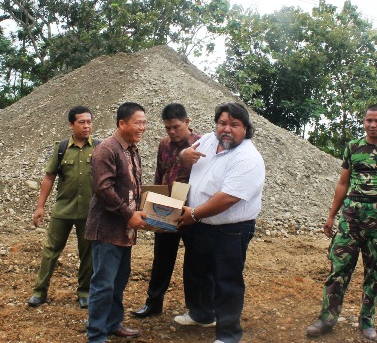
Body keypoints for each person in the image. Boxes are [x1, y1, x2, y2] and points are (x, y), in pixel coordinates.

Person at [305, 104, 377, 341]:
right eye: (369, 121)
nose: (373, 125)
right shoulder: (353, 147)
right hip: (351, 215)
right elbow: (343, 183)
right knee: (338, 268)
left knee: (373, 271)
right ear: (364, 122)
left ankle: (367, 321)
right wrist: (332, 215)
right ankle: (326, 318)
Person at [176, 102, 265, 343]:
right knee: (197, 272)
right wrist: (184, 155)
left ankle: (228, 335)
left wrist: (194, 214)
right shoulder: (206, 140)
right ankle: (202, 314)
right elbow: (184, 155)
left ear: (245, 129)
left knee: (227, 280)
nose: (226, 129)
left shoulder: (248, 158)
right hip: (200, 223)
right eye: (222, 123)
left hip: (231, 229)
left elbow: (227, 198)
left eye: (234, 125)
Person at [85, 102, 147, 343]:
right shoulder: (106, 149)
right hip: (107, 230)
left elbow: (132, 187)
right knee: (103, 284)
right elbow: (103, 189)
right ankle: (96, 334)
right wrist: (128, 214)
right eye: (138, 122)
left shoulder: (131, 150)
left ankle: (112, 323)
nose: (142, 127)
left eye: (144, 122)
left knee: (118, 282)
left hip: (125, 231)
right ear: (122, 123)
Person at [132, 103, 202, 318]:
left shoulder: (201, 145)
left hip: (190, 213)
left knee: (194, 263)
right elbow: (160, 174)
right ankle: (153, 304)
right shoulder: (164, 144)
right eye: (167, 128)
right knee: (161, 258)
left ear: (187, 122)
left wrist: (198, 211)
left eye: (176, 127)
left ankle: (196, 309)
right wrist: (151, 200)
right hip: (166, 209)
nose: (172, 132)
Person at [27, 106, 97, 309]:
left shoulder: (99, 148)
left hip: (88, 212)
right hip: (63, 210)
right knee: (50, 251)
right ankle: (39, 292)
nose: (86, 126)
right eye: (81, 122)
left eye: (89, 122)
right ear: (71, 125)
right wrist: (40, 207)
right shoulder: (62, 148)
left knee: (87, 254)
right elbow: (49, 177)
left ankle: (84, 292)